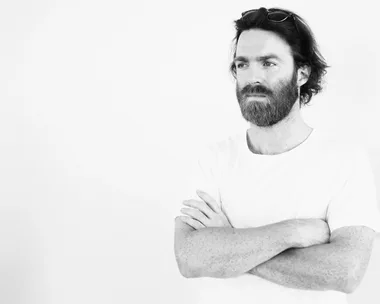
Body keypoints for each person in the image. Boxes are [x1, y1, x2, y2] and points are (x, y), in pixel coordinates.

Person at [173, 7, 380, 304]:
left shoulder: (345, 161)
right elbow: (190, 259)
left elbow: (345, 272)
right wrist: (293, 232)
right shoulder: (213, 159)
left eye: (268, 63)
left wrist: (229, 243)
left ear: (302, 72)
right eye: (242, 64)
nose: (252, 77)